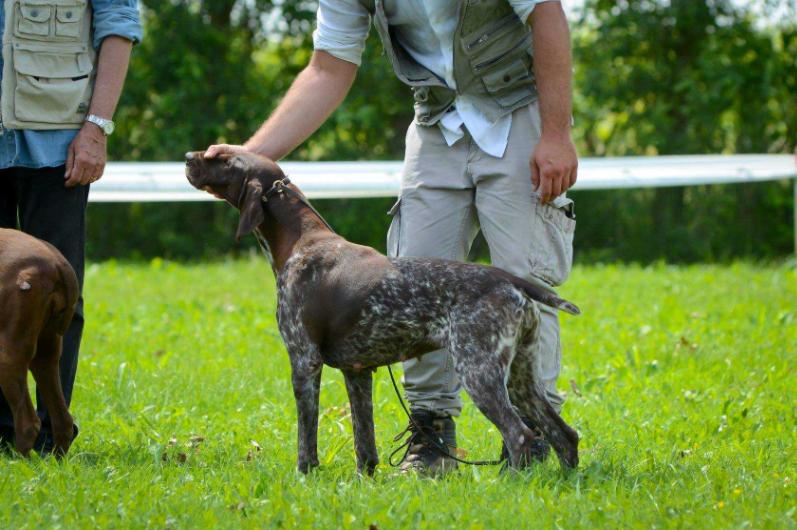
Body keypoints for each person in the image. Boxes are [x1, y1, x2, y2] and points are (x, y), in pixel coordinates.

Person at [206, 0, 578, 475]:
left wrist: (556, 132)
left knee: (522, 277)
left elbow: (546, 13)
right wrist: (248, 163)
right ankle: (432, 437)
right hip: (436, 123)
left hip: (520, 111)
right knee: (406, 283)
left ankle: (534, 436)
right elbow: (327, 67)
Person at [0, 0, 142, 454]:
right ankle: (5, 429)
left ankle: (46, 434)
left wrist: (96, 128)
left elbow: (118, 25)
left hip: (62, 137)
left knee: (61, 293)